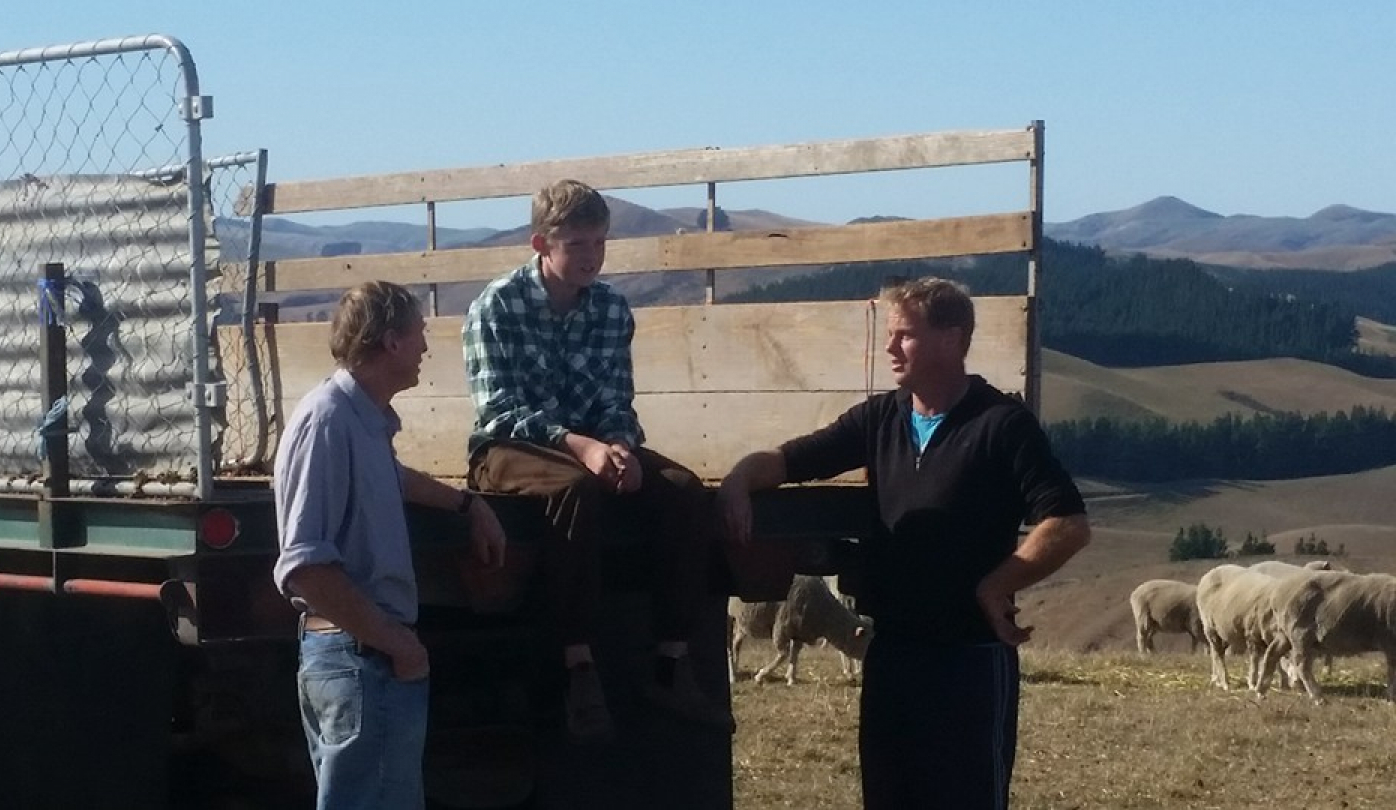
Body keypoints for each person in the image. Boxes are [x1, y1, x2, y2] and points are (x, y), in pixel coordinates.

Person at [717, 277, 1090, 809]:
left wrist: (998, 584)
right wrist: (738, 479)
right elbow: (790, 460)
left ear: (950, 340)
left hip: (970, 657)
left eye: (904, 335)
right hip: (892, 651)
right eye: (890, 335)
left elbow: (1068, 523)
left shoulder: (1001, 424)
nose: (890, 347)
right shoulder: (881, 418)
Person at [462, 178, 731, 741]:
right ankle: (577, 665)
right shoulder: (496, 306)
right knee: (572, 492)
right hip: (511, 448)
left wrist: (621, 448)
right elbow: (498, 410)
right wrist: (579, 447)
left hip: (591, 444)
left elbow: (616, 397)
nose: (591, 257)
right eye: (577, 245)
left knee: (683, 491)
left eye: (600, 243)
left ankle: (671, 662)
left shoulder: (610, 307)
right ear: (542, 245)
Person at [273, 280, 507, 809]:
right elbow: (306, 566)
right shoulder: (328, 420)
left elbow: (392, 478)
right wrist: (398, 645)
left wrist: (468, 505)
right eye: (419, 332)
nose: (426, 346)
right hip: (361, 659)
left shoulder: (362, 422)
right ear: (392, 342)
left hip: (366, 657)